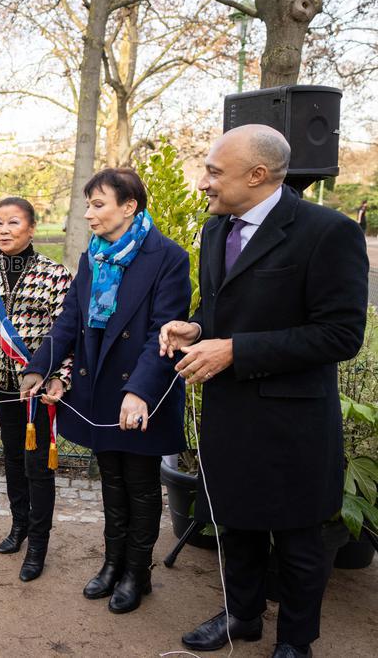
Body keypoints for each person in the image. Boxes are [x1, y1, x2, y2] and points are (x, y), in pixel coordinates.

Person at [159, 125, 368, 658]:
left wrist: (236, 351)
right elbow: (222, 311)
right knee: (236, 524)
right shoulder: (214, 231)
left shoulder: (327, 232)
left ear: (257, 175)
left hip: (293, 419)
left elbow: (340, 334)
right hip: (229, 411)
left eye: (213, 171)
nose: (203, 182)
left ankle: (296, 641)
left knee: (299, 540)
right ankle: (242, 618)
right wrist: (197, 329)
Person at [20, 168, 190, 614]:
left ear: (129, 206)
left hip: (140, 390)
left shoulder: (168, 257)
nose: (89, 214)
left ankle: (139, 572)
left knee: (140, 482)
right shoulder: (91, 257)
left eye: (98, 204)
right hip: (99, 388)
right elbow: (70, 321)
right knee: (111, 478)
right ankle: (113, 564)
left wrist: (140, 391)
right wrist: (40, 368)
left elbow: (163, 332)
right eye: (88, 204)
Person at [0, 196, 72, 582]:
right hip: (2, 387)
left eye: (13, 223)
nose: (4, 231)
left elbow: (66, 333)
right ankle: (20, 526)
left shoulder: (55, 274)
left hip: (38, 390)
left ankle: (39, 545)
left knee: (38, 466)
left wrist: (58, 376)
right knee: (12, 459)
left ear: (31, 228)